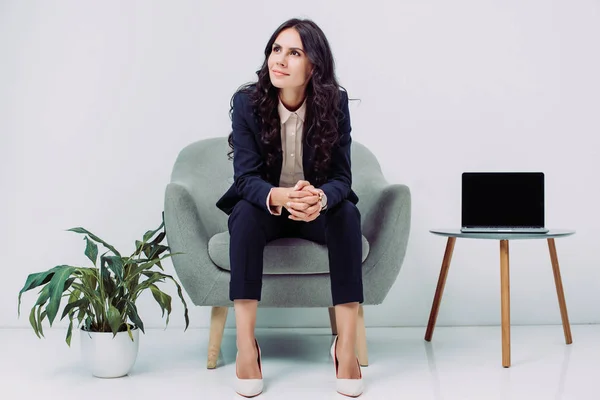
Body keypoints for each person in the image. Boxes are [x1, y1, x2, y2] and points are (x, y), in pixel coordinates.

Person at [216, 18, 364, 398]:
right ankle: (247, 346)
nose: (278, 60)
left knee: (346, 213)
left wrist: (320, 199)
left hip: (313, 211)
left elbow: (342, 178)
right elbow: (245, 178)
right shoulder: (247, 102)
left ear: (314, 64)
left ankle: (345, 345)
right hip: (266, 208)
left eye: (294, 52)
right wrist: (282, 197)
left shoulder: (335, 102)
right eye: (275, 49)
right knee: (245, 217)